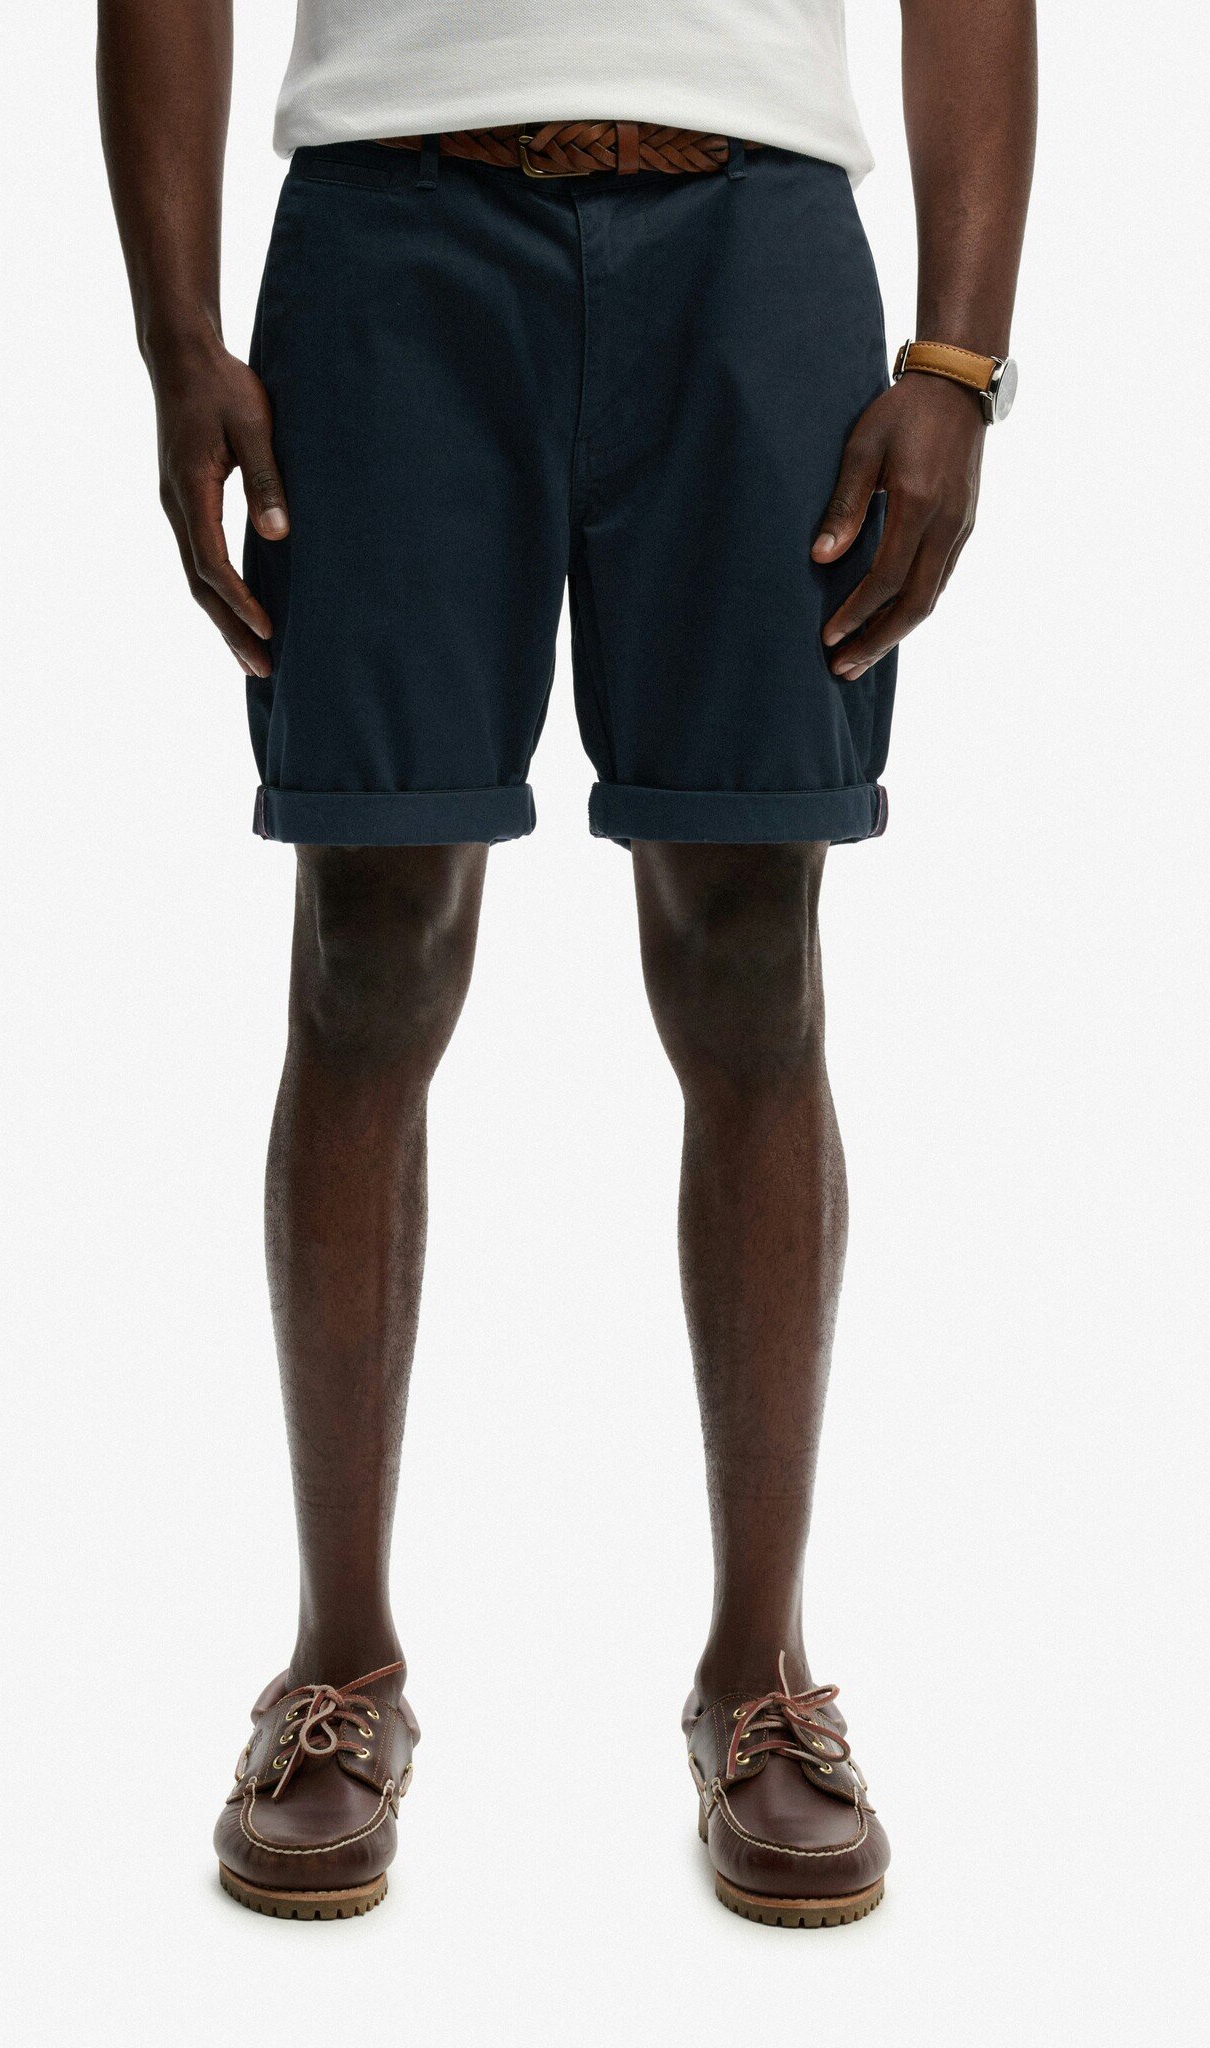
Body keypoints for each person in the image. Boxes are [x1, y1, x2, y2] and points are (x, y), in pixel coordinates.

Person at [98, 0, 1036, 1926]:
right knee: (366, 946)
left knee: (752, 952)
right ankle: (339, 1669)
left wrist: (959, 355)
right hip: (390, 236)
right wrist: (176, 334)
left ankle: (760, 1680)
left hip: (754, 240)